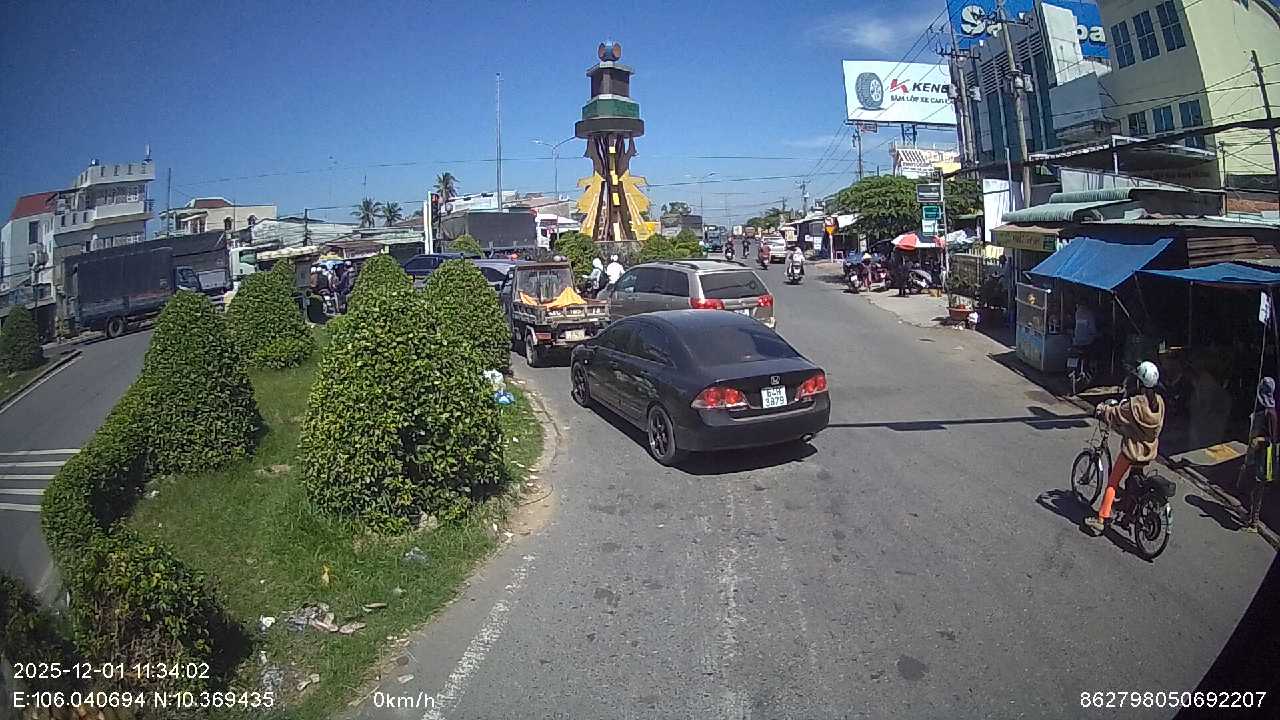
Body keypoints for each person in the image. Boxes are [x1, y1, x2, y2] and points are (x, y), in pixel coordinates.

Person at [1084, 361, 1167, 535]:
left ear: (1139, 382)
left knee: (1113, 482)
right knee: (1134, 481)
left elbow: (1115, 414)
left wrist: (1101, 409)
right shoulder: (1159, 403)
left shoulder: (1135, 404)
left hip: (1132, 451)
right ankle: (1128, 512)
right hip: (1148, 451)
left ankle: (1101, 519)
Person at [1240, 377, 1277, 532]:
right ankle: (1249, 514)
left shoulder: (1271, 413)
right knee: (1250, 486)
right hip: (1255, 455)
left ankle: (1254, 523)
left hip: (1264, 458)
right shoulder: (1262, 410)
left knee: (1258, 490)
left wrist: (1259, 440)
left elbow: (1273, 439)